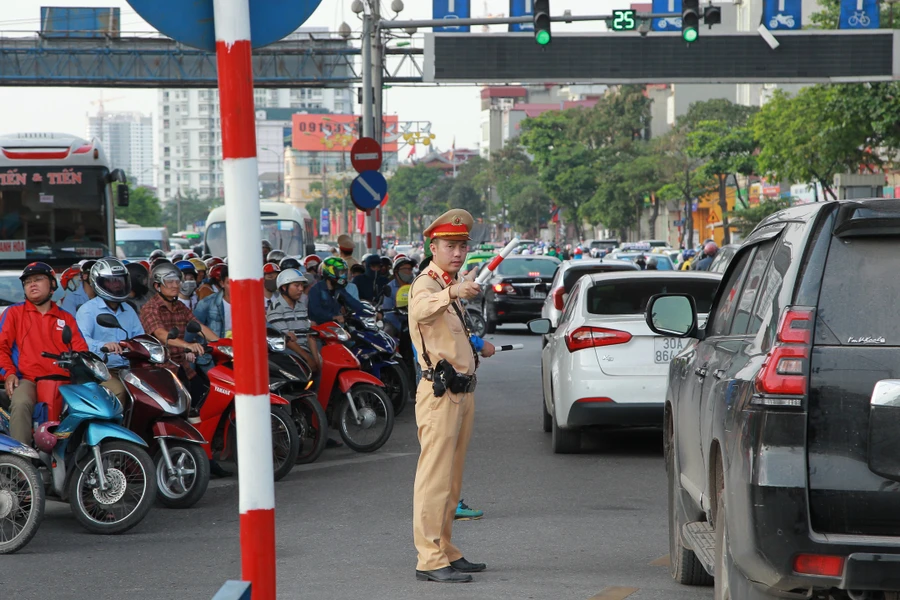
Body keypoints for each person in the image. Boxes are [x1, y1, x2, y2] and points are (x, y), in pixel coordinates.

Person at [409, 209, 496, 584]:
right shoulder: (428, 285)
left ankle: (445, 548)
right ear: (433, 247)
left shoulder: (450, 281)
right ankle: (429, 558)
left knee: (452, 479)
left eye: (462, 246)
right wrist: (452, 291)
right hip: (439, 394)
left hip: (461, 390)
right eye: (450, 246)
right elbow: (421, 310)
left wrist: (478, 346)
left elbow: (451, 334)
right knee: (434, 478)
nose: (458, 252)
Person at [0, 263, 89, 445]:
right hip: (28, 379)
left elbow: (82, 351)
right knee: (21, 403)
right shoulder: (14, 313)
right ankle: (21, 465)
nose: (32, 284)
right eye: (28, 282)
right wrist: (8, 374)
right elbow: (1, 348)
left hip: (64, 382)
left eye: (38, 279)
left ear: (52, 285)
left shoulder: (66, 318)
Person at [139, 262, 220, 411]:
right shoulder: (150, 308)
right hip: (161, 368)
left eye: (177, 281)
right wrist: (188, 345)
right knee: (185, 406)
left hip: (182, 365)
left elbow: (198, 326)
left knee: (205, 397)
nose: (175, 285)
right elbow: (161, 334)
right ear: (157, 286)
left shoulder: (180, 307)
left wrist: (221, 344)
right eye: (169, 282)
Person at [76, 258, 143, 404]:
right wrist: (104, 345)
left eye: (120, 280)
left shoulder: (128, 310)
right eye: (111, 281)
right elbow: (82, 341)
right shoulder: (88, 310)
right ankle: (115, 426)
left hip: (129, 370)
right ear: (98, 282)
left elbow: (140, 338)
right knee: (119, 390)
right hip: (101, 371)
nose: (117, 285)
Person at [266, 268, 320, 371]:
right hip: (290, 353)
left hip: (305, 349)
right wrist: (308, 358)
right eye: (296, 285)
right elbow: (288, 340)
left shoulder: (301, 306)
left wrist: (316, 359)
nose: (300, 289)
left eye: (301, 285)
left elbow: (309, 334)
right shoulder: (276, 308)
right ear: (284, 288)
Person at [307, 257, 367, 326]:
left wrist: (368, 311)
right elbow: (316, 312)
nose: (344, 276)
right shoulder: (316, 290)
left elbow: (352, 301)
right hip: (320, 329)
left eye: (344, 272)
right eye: (341, 272)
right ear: (330, 272)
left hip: (337, 329)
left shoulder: (339, 289)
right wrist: (333, 317)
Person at [194, 264, 235, 339]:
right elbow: (193, 328)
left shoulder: (251, 305)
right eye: (229, 283)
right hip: (217, 347)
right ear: (222, 284)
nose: (234, 286)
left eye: (236, 282)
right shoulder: (207, 303)